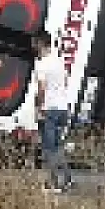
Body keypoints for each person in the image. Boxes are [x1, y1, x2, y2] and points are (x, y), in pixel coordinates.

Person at [33, 32, 73, 192]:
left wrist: (38, 107)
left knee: (49, 149)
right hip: (62, 108)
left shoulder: (41, 64)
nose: (32, 46)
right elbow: (63, 82)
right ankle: (67, 179)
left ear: (39, 43)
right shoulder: (59, 62)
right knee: (57, 147)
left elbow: (42, 88)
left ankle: (54, 183)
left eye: (34, 43)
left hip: (49, 109)